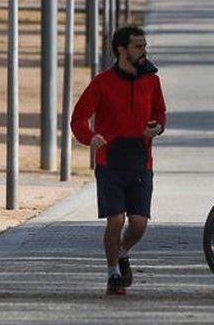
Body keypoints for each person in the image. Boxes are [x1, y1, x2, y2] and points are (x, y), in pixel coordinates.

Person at [71, 25, 167, 296]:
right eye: (138, 46)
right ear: (121, 50)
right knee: (115, 220)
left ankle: (122, 252)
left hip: (140, 160)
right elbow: (78, 118)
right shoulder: (102, 82)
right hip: (110, 160)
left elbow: (160, 112)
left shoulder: (152, 80)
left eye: (144, 46)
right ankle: (113, 273)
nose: (143, 51)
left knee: (138, 223)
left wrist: (157, 127)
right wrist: (90, 137)